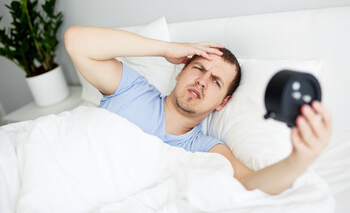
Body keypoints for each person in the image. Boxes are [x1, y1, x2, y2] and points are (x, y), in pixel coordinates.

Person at [64, 26, 332, 195]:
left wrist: (299, 159)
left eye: (216, 81)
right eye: (198, 69)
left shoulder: (205, 148)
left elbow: (250, 183)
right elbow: (75, 40)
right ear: (181, 72)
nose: (202, 81)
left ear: (222, 103)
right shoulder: (131, 89)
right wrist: (166, 49)